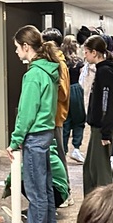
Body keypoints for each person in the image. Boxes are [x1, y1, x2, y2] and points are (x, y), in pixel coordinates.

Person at [7, 24, 60, 223]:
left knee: (35, 188)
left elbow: (26, 112)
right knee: (45, 186)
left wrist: (15, 139)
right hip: (46, 133)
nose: (17, 53)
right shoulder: (49, 70)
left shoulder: (33, 75)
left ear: (26, 46)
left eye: (18, 48)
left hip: (34, 136)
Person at [82, 34, 113, 195]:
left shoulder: (105, 72)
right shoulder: (102, 70)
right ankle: (93, 205)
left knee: (101, 172)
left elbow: (108, 103)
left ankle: (106, 208)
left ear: (94, 52)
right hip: (98, 127)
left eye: (86, 52)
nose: (84, 56)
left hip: (102, 128)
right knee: (90, 169)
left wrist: (106, 132)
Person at [42, 26, 72, 205]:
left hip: (54, 116)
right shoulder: (49, 61)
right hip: (48, 116)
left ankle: (66, 191)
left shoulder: (59, 63)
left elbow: (63, 93)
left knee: (59, 154)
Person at [61, 34, 86, 163]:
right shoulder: (79, 61)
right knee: (79, 120)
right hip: (76, 89)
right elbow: (83, 78)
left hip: (64, 90)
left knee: (65, 121)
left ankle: (63, 150)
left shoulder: (60, 60)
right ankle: (76, 148)